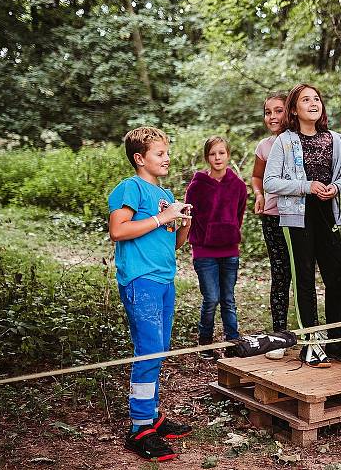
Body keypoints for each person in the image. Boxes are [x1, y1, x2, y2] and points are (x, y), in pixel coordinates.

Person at [108, 127, 193, 462]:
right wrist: (162, 216)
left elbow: (175, 243)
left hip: (164, 280)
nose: (167, 158)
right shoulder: (130, 188)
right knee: (148, 351)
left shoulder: (167, 194)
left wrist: (183, 221)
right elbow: (118, 230)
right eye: (160, 153)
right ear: (140, 158)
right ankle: (139, 428)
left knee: (158, 350)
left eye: (167, 152)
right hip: (139, 280)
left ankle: (151, 415)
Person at [263, 83, 341, 367]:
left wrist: (335, 188)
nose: (313, 103)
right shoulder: (284, 141)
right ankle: (311, 345)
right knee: (305, 279)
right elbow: (270, 182)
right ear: (294, 109)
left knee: (337, 277)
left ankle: (336, 342)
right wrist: (307, 186)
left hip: (327, 215)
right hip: (297, 218)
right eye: (305, 100)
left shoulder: (337, 140)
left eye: (316, 98)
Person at [185, 136, 247, 360]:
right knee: (211, 298)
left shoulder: (238, 186)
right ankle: (205, 342)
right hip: (204, 252)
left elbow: (238, 215)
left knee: (228, 299)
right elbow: (190, 217)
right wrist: (204, 237)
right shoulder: (197, 186)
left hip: (229, 251)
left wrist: (228, 233)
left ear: (228, 155)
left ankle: (232, 342)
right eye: (213, 154)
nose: (217, 157)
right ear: (206, 157)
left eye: (221, 153)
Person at [251, 93, 292, 360]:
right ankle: (279, 336)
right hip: (273, 217)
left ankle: (311, 335)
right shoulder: (264, 146)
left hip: (300, 218)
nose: (273, 117)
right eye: (268, 112)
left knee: (301, 275)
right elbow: (256, 176)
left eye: (278, 111)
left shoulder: (300, 142)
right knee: (280, 276)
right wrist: (259, 194)